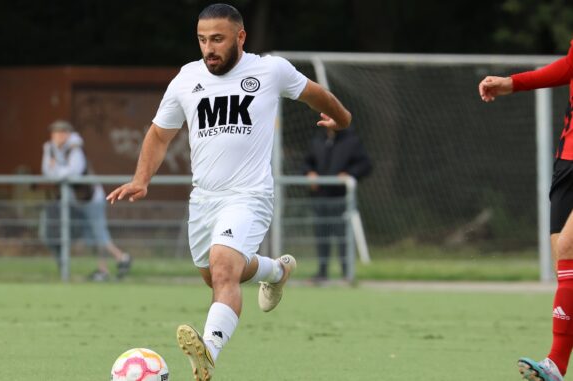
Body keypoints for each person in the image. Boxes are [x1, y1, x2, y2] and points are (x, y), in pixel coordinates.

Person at [106, 4, 352, 380]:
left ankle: (207, 353)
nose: (209, 48)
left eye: (218, 39)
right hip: (204, 199)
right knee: (216, 275)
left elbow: (316, 94)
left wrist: (343, 118)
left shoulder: (270, 70)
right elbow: (159, 134)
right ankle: (276, 271)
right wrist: (142, 180)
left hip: (249, 195)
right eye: (203, 40)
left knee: (223, 268)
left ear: (240, 37)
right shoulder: (187, 78)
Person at [479, 39, 573, 381]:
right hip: (568, 159)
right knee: (564, 266)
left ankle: (555, 365)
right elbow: (568, 66)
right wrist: (512, 83)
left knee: (567, 248)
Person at [41, 120, 132, 281]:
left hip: (91, 198)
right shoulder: (50, 149)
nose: (57, 136)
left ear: (68, 134)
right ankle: (105, 268)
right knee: (91, 235)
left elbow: (73, 172)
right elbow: (47, 172)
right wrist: (58, 170)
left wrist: (57, 169)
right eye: (55, 132)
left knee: (99, 233)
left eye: (61, 132)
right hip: (75, 201)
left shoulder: (75, 149)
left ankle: (121, 258)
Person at [303, 127, 371, 283]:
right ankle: (322, 272)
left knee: (343, 236)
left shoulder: (352, 141)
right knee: (321, 235)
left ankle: (347, 273)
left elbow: (365, 164)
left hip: (341, 198)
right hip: (320, 198)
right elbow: (307, 162)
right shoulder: (317, 140)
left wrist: (349, 174)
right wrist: (309, 173)